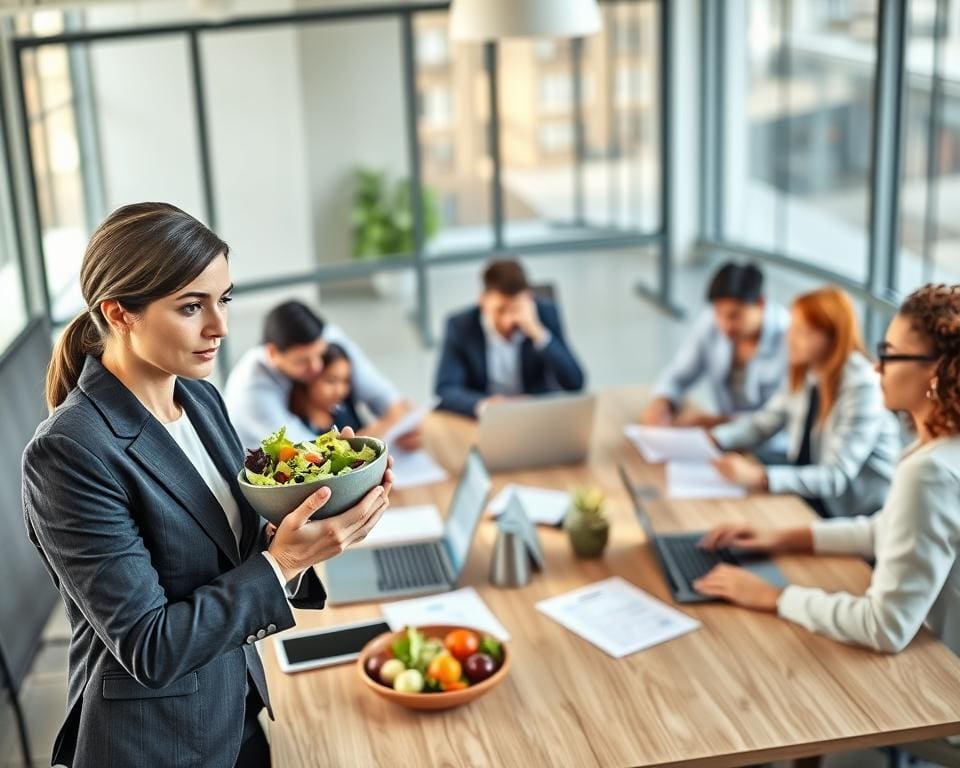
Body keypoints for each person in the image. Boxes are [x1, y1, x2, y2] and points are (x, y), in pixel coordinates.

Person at [21, 203, 393, 768]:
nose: (219, 327)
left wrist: (322, 500)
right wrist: (284, 564)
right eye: (191, 307)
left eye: (224, 300)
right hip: (153, 744)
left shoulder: (199, 399)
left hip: (235, 709)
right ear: (119, 313)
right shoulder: (68, 452)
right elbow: (150, 645)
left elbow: (229, 552)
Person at [694, 283, 960, 658]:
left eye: (890, 354)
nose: (877, 366)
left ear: (936, 371)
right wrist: (779, 538)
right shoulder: (941, 448)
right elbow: (883, 529)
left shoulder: (929, 471)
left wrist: (775, 596)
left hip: (943, 672)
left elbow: (884, 625)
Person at [708, 286, 900, 519]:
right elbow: (763, 423)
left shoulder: (862, 386)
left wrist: (759, 476)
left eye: (803, 332)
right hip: (812, 494)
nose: (790, 338)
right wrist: (713, 440)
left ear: (832, 338)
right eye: (793, 328)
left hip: (850, 513)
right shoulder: (809, 371)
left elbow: (835, 477)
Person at [225, 300, 421, 451]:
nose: (317, 367)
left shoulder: (324, 338)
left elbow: (382, 395)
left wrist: (404, 425)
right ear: (273, 353)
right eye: (303, 361)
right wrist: (385, 427)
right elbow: (309, 452)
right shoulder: (250, 391)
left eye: (320, 355)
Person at [643, 262, 790, 429]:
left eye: (735, 316)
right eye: (719, 313)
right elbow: (678, 375)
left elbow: (782, 419)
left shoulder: (791, 337)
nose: (725, 325)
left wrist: (719, 422)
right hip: (725, 436)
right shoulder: (712, 321)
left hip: (768, 447)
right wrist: (662, 403)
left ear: (761, 303)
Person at [434, 258, 585, 418]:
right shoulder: (460, 326)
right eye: (500, 310)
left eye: (516, 308)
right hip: (486, 418)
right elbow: (445, 389)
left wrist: (537, 332)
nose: (508, 321)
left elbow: (575, 383)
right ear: (482, 301)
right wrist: (486, 404)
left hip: (535, 415)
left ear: (528, 298)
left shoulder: (545, 315)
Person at [289, 342, 398, 438]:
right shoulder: (292, 423)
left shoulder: (344, 408)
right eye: (331, 381)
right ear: (309, 376)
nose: (340, 390)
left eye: (345, 381)